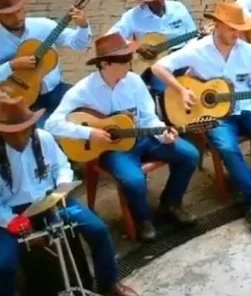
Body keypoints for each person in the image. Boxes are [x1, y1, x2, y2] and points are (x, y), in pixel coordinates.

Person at [0, 95, 139, 296]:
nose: (21, 137)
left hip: (50, 200)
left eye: (25, 130)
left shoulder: (43, 138)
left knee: (98, 229)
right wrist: (13, 222)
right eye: (13, 133)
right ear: (2, 131)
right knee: (4, 264)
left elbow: (62, 166)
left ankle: (109, 283)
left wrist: (62, 187)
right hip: (13, 213)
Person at [45, 32, 200, 241]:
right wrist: (91, 132)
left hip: (144, 138)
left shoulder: (135, 82)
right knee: (135, 180)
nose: (130, 63)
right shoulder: (83, 91)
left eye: (129, 58)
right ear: (106, 65)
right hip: (114, 149)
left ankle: (170, 204)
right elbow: (51, 124)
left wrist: (164, 133)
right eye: (124, 60)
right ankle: (143, 219)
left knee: (190, 154)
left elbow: (148, 118)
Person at [152, 2, 251, 240]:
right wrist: (181, 90)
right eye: (232, 29)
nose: (237, 34)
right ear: (219, 25)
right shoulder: (197, 49)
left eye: (239, 29)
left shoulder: (247, 50)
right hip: (216, 116)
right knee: (227, 148)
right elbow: (158, 67)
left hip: (249, 106)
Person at [0, 0, 91, 121]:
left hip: (55, 90)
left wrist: (83, 26)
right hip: (21, 103)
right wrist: (11, 66)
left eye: (19, 11)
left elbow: (78, 44)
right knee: (42, 137)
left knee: (91, 109)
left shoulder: (42, 25)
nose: (17, 17)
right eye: (9, 15)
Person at [107, 0, 197, 118]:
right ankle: (170, 120)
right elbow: (109, 38)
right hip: (153, 65)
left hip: (181, 57)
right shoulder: (133, 17)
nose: (158, 1)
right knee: (164, 89)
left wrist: (188, 56)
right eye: (152, 0)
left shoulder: (178, 8)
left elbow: (193, 36)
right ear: (144, 2)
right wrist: (136, 46)